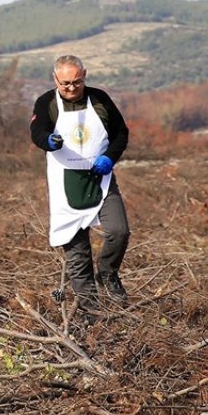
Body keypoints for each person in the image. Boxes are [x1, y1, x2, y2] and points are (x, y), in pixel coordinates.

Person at [30, 55, 131, 318]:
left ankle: (108, 273)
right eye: (65, 84)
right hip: (66, 184)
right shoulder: (46, 103)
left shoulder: (99, 99)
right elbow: (36, 131)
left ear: (85, 75)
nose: (72, 88)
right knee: (77, 254)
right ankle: (92, 313)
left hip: (102, 178)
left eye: (77, 81)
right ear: (55, 79)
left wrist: (110, 157)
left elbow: (121, 132)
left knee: (119, 231)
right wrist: (48, 141)